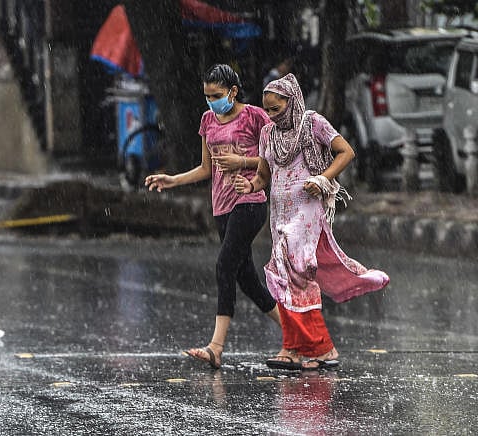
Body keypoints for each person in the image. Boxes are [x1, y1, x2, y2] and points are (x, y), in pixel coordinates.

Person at [234, 73, 389, 370]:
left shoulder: (313, 123)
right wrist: (251, 186)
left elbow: (346, 152)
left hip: (307, 211)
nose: (272, 115)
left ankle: (323, 349)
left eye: (277, 109)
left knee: (299, 269)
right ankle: (292, 348)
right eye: (267, 110)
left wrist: (322, 178)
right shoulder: (268, 134)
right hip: (279, 211)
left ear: (292, 102)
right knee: (282, 273)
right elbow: (264, 176)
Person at [145, 63, 282, 369]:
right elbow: (207, 169)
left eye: (216, 95)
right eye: (207, 96)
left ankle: (215, 347)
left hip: (250, 199)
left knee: (224, 265)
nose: (211, 101)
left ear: (233, 92)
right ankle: (296, 332)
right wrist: (173, 180)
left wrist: (242, 161)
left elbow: (276, 159)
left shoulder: (255, 117)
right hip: (221, 205)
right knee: (246, 279)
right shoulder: (208, 120)